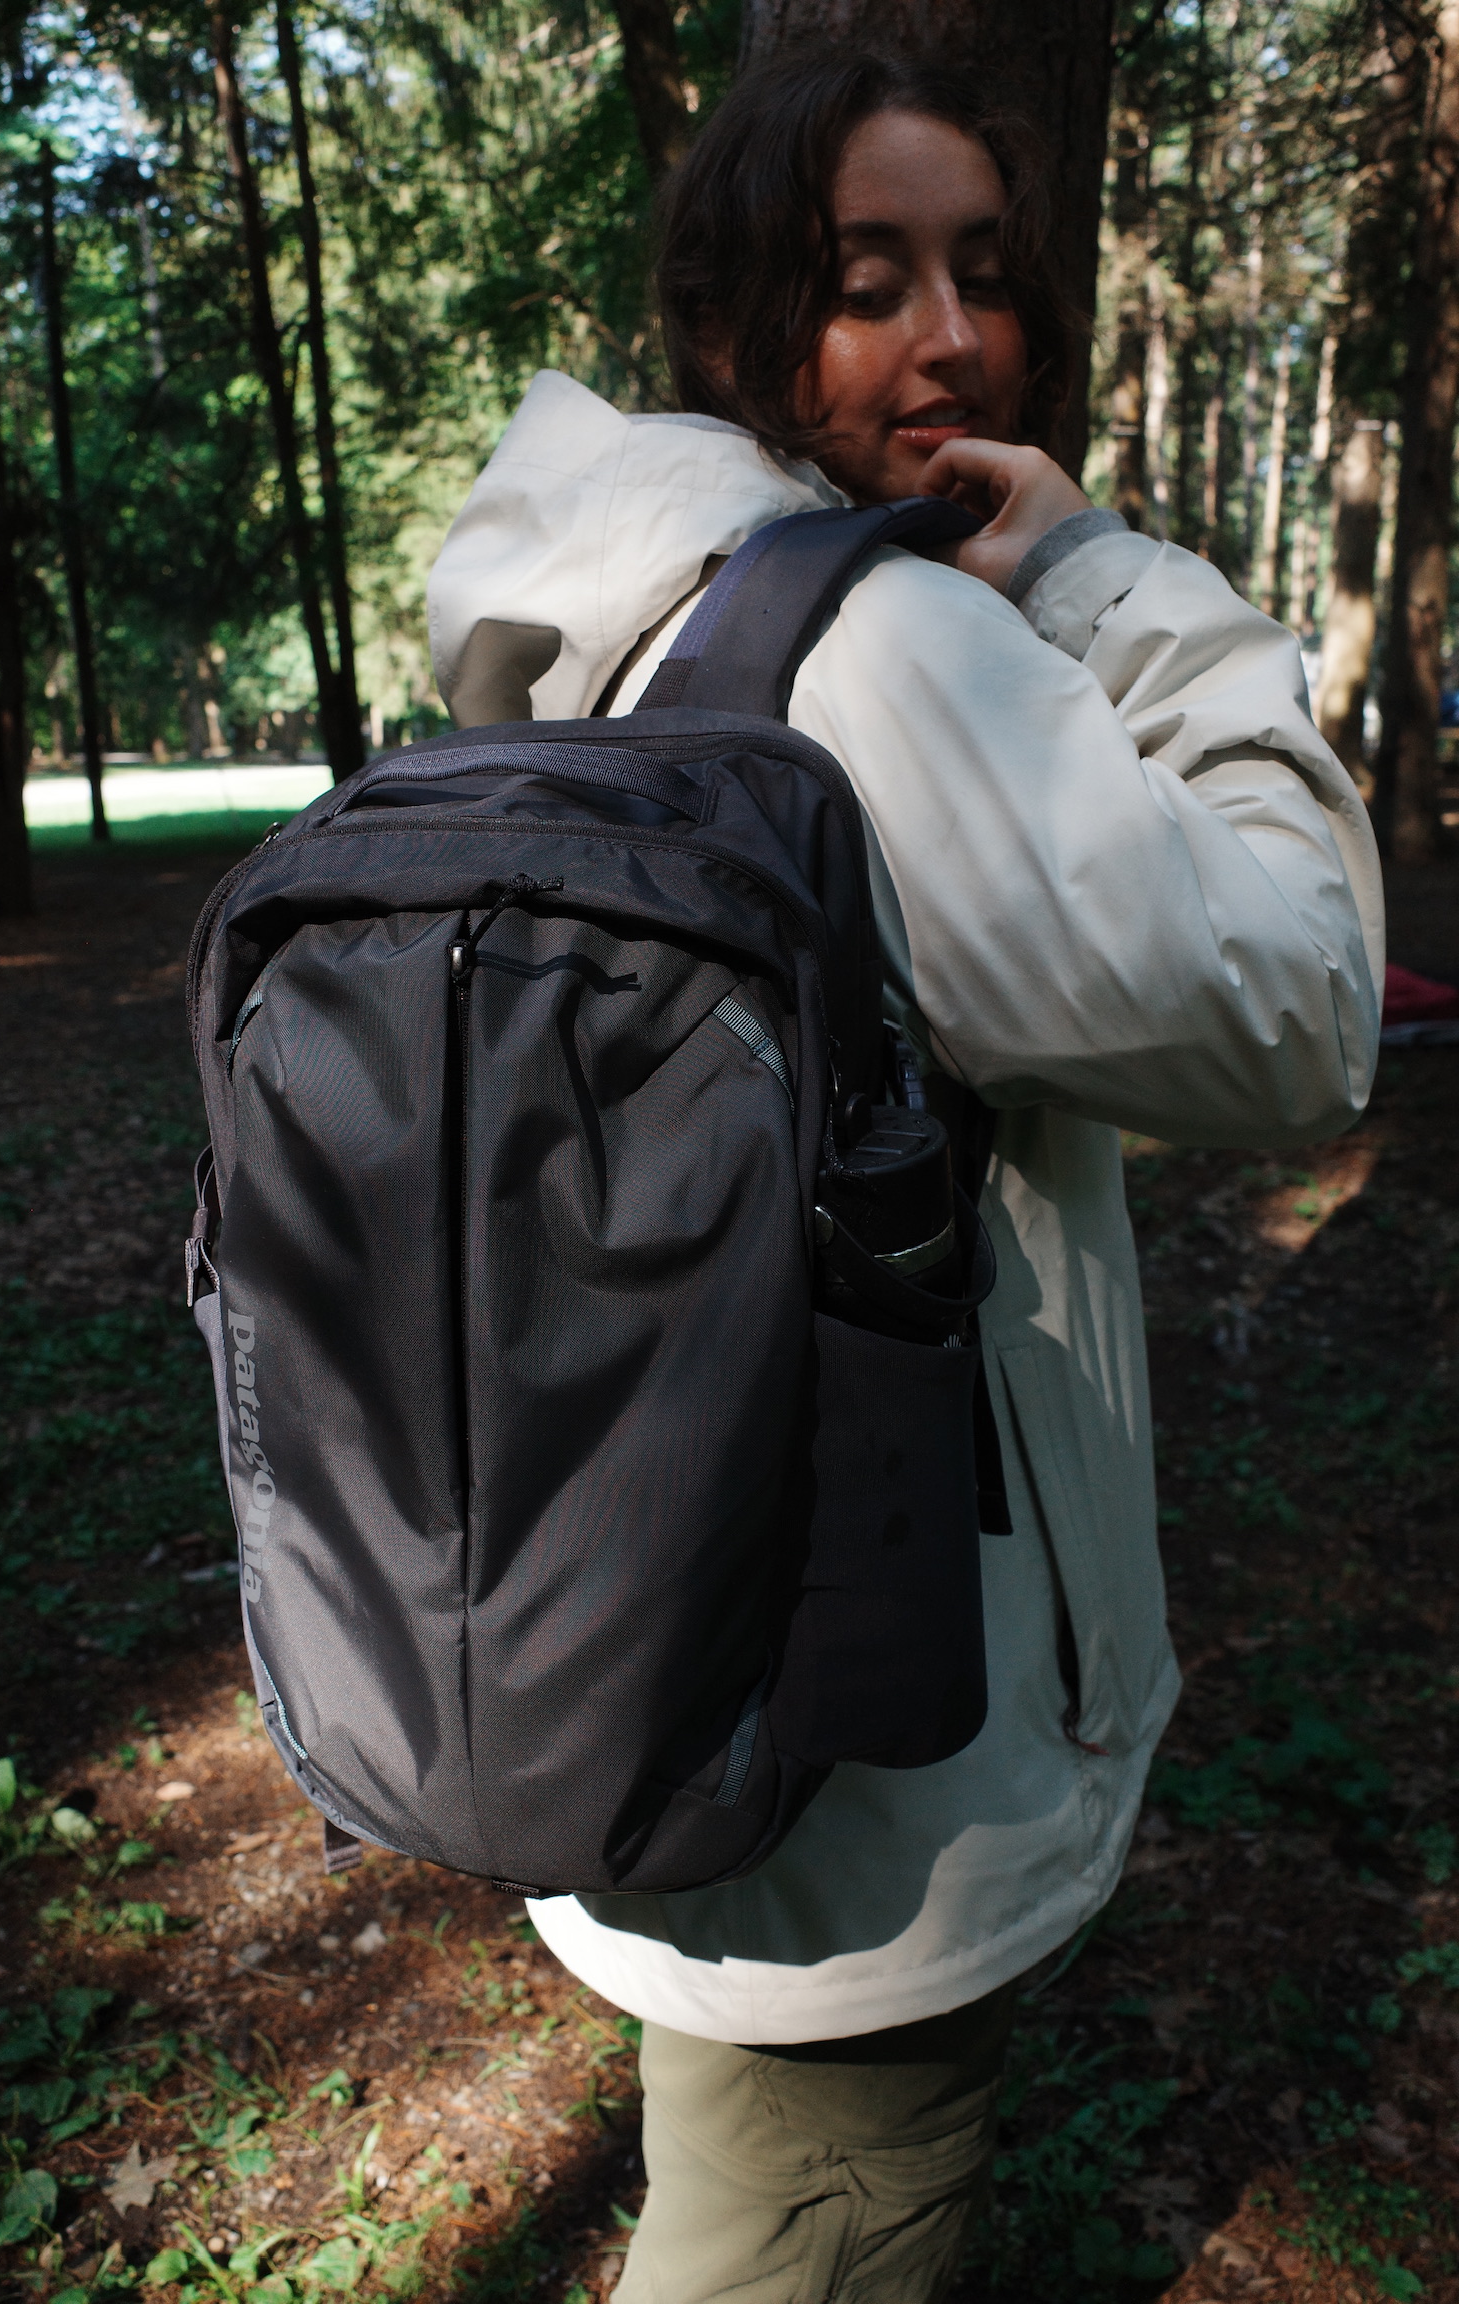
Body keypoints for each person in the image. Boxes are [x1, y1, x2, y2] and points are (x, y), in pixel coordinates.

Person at [424, 46, 1384, 2302]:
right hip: (868, 1750)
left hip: (652, 1631)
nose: (954, 343)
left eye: (986, 275)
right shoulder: (867, 650)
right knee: (809, 2228)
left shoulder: (596, 606)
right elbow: (1296, 1009)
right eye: (869, 283)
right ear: (741, 317)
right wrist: (1109, 575)